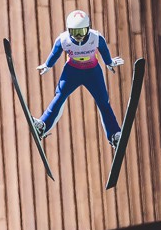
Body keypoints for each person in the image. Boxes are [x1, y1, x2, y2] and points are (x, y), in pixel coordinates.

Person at [33, 10, 125, 147]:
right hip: (72, 72)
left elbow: (104, 51)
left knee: (103, 103)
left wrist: (109, 62)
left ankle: (114, 135)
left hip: (92, 73)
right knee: (59, 97)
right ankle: (43, 125)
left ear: (88, 28)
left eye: (81, 32)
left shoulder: (96, 37)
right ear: (68, 30)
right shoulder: (63, 39)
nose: (78, 36)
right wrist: (48, 65)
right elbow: (55, 53)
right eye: (74, 32)